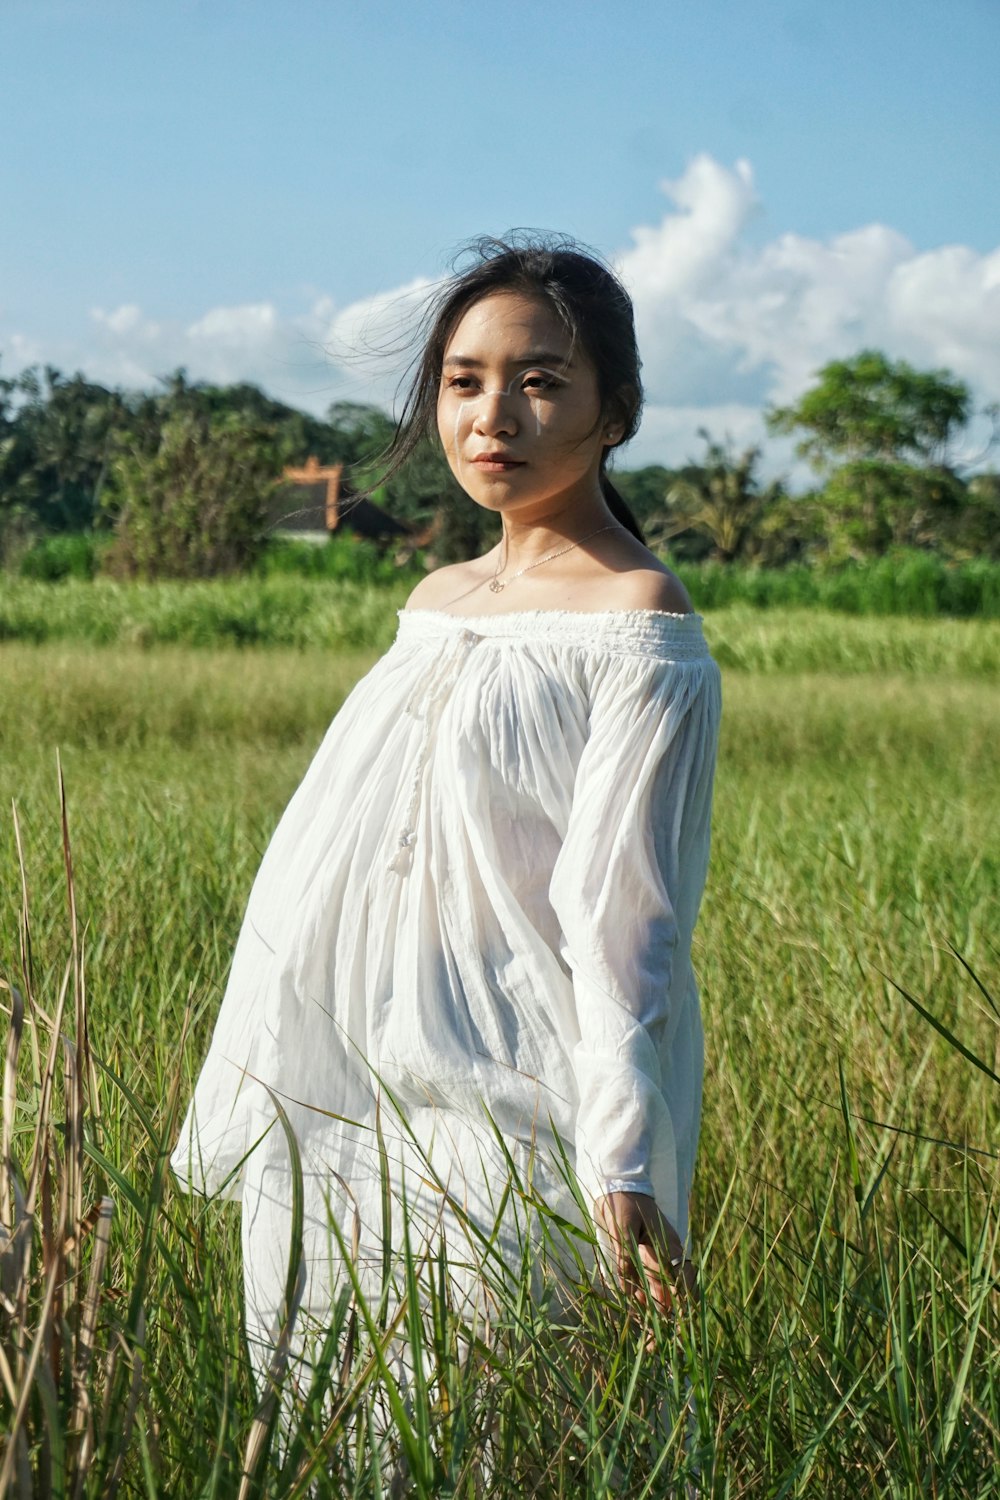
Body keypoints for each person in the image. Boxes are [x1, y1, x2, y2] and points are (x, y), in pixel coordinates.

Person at [171, 235, 721, 1391]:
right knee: (336, 1432)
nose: (492, 418)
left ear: (612, 409)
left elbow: (625, 912)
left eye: (538, 381)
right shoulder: (437, 601)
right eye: (464, 382)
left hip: (515, 1116)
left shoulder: (638, 618)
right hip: (352, 1100)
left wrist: (622, 1162)